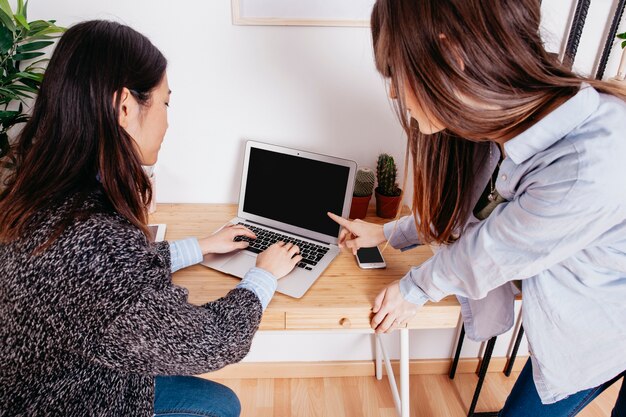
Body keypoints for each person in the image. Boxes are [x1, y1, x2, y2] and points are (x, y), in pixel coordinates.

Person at [328, 0, 626, 415]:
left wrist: (412, 290)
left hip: (609, 325)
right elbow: (478, 210)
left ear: (452, 56)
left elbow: (489, 252)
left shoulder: (584, 166)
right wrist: (386, 233)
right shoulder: (508, 123)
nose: (395, 92)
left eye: (396, 72)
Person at [0, 20, 302, 417]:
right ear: (125, 107)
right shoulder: (93, 241)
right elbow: (212, 341)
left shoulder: (37, 184)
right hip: (64, 400)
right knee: (220, 407)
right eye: (166, 103)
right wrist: (264, 273)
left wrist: (198, 248)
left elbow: (107, 285)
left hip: (45, 378)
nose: (168, 121)